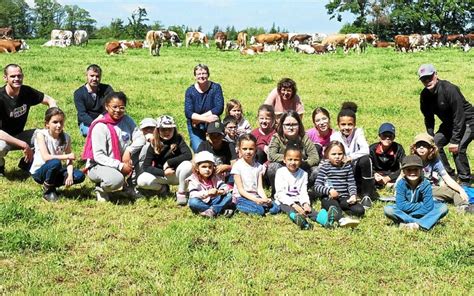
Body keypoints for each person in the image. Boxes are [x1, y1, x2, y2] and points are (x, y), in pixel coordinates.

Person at [418, 64, 473, 186]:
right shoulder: (425, 95)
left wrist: (455, 140)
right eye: (424, 79)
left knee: (458, 148)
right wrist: (430, 136)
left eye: (429, 77)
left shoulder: (449, 89)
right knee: (435, 144)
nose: (427, 81)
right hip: (449, 123)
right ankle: (449, 175)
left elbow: (459, 115)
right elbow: (428, 117)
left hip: (468, 121)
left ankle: (465, 180)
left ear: (436, 75)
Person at [0, 63, 57, 177]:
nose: (17, 79)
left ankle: (28, 163)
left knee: (47, 136)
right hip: (3, 137)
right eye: (12, 76)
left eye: (19, 76)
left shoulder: (26, 91)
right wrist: (24, 145)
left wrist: (53, 118)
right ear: (5, 78)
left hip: (19, 134)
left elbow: (50, 100)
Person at [82, 91, 137, 202]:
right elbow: (98, 156)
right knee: (116, 180)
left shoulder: (127, 120)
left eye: (122, 107)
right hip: (98, 165)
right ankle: (101, 188)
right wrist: (120, 166)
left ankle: (131, 186)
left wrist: (129, 150)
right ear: (107, 106)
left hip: (123, 160)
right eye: (114, 107)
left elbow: (139, 136)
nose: (118, 110)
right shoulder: (100, 126)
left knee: (144, 149)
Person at [274, 143, 337, 230]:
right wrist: (294, 205)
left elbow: (303, 191)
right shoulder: (280, 172)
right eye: (290, 159)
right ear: (284, 160)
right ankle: (303, 222)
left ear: (300, 161)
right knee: (290, 210)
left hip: (298, 199)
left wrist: (305, 203)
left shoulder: (303, 174)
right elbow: (280, 193)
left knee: (310, 211)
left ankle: (326, 220)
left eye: (296, 160)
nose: (293, 162)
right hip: (284, 200)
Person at [29, 107, 85, 202]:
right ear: (47, 124)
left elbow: (69, 159)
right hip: (40, 171)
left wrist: (70, 175)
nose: (59, 125)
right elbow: (46, 157)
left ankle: (53, 185)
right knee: (55, 163)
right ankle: (48, 190)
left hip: (56, 170)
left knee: (79, 176)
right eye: (55, 122)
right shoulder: (41, 135)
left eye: (61, 122)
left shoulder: (66, 137)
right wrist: (66, 156)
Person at [136, 115, 193, 205]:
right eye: (163, 129)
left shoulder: (178, 139)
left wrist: (169, 162)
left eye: (170, 129)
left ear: (174, 129)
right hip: (163, 175)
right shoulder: (154, 143)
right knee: (141, 180)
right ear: (158, 130)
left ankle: (182, 192)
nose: (167, 132)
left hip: (177, 175)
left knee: (188, 165)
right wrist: (163, 173)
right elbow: (146, 166)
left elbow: (188, 155)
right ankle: (162, 189)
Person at [384, 155, 449, 230]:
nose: (412, 173)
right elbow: (401, 206)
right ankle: (421, 223)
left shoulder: (426, 184)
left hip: (414, 213)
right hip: (407, 212)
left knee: (442, 207)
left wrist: (411, 208)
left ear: (421, 170)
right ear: (403, 171)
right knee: (388, 209)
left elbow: (428, 207)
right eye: (409, 170)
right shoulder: (401, 184)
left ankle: (409, 223)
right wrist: (421, 205)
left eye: (416, 169)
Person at [410, 133, 469, 212]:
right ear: (414, 148)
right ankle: (463, 205)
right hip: (416, 189)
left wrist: (460, 189)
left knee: (454, 190)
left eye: (424, 145)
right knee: (452, 193)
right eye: (419, 145)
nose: (421, 147)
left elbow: (446, 177)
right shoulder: (411, 160)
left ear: (431, 148)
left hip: (431, 188)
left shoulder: (435, 161)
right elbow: (402, 176)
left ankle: (462, 206)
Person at [330, 102, 375, 208]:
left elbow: (366, 150)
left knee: (365, 159)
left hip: (356, 169)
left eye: (350, 124)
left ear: (354, 125)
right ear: (338, 125)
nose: (346, 127)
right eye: (343, 124)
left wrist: (350, 157)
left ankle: (366, 195)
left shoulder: (358, 132)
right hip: (343, 171)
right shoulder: (335, 137)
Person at [267, 110, 319, 195]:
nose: (291, 127)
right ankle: (276, 192)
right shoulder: (277, 137)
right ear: (282, 125)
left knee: (317, 170)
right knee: (273, 167)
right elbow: (271, 155)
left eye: (294, 124)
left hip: (300, 170)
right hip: (283, 171)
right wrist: (289, 160)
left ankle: (303, 191)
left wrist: (300, 163)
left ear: (299, 125)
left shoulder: (304, 138)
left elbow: (315, 157)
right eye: (287, 125)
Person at [314, 141, 364, 227]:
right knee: (333, 206)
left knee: (360, 210)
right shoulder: (324, 168)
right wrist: (329, 191)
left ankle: (340, 211)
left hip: (344, 197)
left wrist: (353, 195)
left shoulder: (347, 167)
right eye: (333, 154)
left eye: (340, 154)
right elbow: (317, 186)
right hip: (329, 198)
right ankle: (341, 219)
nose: (337, 157)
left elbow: (351, 183)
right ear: (327, 155)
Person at [231, 134, 280, 216]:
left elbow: (259, 187)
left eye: (251, 149)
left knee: (275, 207)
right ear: (239, 150)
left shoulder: (258, 167)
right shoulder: (237, 166)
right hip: (241, 197)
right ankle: (238, 207)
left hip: (255, 196)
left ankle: (262, 207)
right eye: (244, 149)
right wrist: (255, 200)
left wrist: (264, 198)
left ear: (255, 149)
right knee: (260, 211)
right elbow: (241, 190)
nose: (248, 152)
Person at [184, 64, 224, 152]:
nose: (201, 76)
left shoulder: (216, 88)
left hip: (212, 123)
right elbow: (188, 112)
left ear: (208, 75)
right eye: (199, 74)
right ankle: (195, 141)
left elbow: (219, 108)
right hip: (195, 126)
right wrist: (206, 119)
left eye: (204, 73)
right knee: (200, 151)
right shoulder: (190, 91)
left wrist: (199, 119)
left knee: (217, 148)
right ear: (195, 76)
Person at [187, 151, 234, 217]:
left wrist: (221, 191)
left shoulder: (214, 177)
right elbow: (193, 194)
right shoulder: (193, 179)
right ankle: (220, 211)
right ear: (197, 168)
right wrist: (208, 193)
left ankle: (213, 211)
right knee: (193, 202)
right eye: (204, 167)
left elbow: (224, 186)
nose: (207, 169)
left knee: (229, 196)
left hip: (215, 199)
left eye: (210, 167)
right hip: (202, 201)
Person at [73, 64, 114, 137]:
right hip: (87, 122)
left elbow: (112, 107)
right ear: (86, 76)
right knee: (95, 134)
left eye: (97, 76)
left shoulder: (107, 89)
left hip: (105, 120)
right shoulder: (78, 93)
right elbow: (82, 114)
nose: (95, 79)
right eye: (92, 76)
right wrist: (95, 124)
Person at [369, 122, 405, 189]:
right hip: (377, 175)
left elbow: (405, 166)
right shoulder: (372, 149)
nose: (387, 138)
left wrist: (388, 178)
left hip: (392, 175)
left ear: (394, 137)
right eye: (384, 135)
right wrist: (374, 174)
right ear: (379, 136)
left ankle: (389, 184)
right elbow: (367, 165)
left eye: (390, 136)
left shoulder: (398, 148)